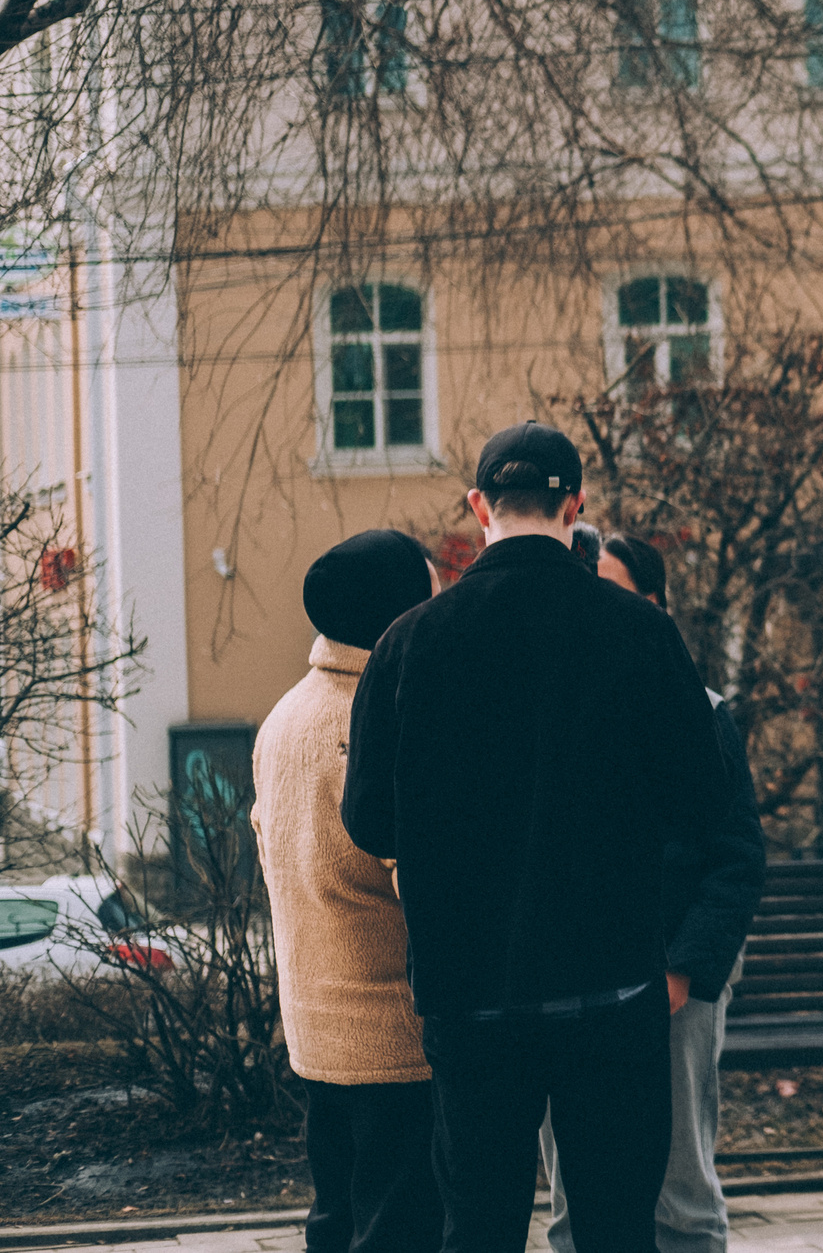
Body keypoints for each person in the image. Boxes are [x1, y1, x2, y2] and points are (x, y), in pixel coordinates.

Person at [343, 424, 747, 1253]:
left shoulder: (409, 642)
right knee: (615, 1228)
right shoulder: (640, 632)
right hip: (612, 991)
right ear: (576, 504)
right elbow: (701, 802)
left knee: (479, 1227)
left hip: (471, 996)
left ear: (478, 506)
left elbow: (368, 820)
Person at [539, 531, 767, 1253]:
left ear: (654, 606)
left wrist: (685, 967)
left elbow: (736, 856)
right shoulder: (549, 710)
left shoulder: (700, 710)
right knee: (573, 1194)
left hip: (672, 979)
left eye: (611, 591)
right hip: (571, 978)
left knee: (679, 1189)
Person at [252, 530, 442, 1253]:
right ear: (396, 611)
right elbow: (418, 877)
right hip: (391, 1030)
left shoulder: (284, 716)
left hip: (314, 1023)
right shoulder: (380, 717)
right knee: (400, 1225)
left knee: (336, 1216)